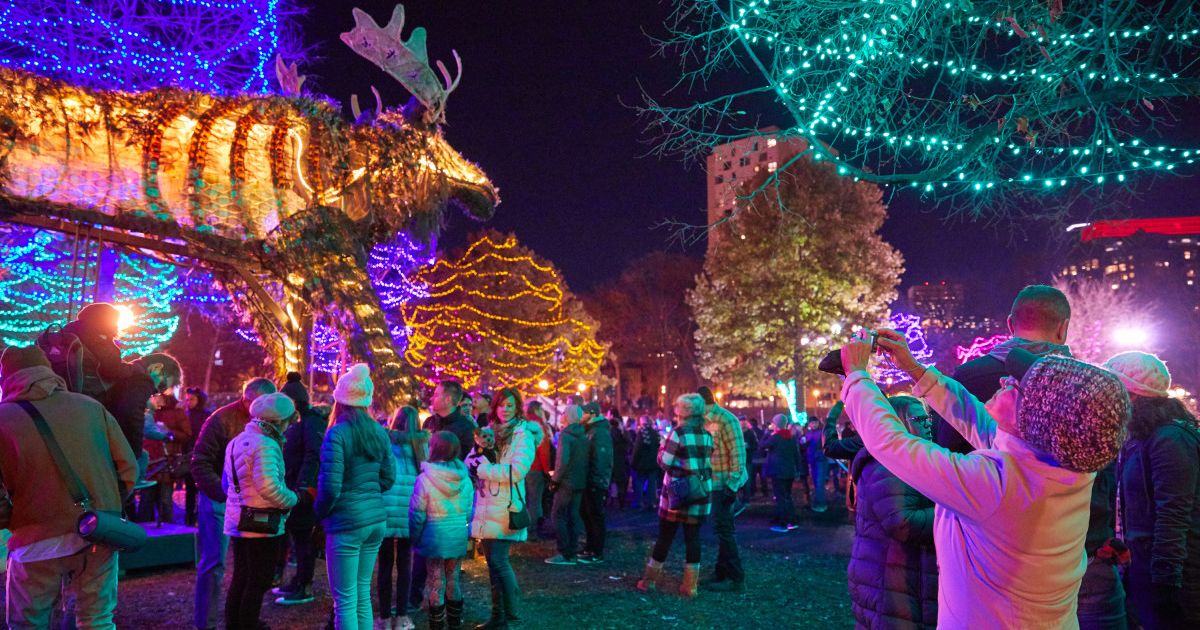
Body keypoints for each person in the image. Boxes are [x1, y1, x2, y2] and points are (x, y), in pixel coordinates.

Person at [840, 328, 1129, 627]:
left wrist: (857, 376)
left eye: (1017, 385)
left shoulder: (997, 485)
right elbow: (976, 421)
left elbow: (892, 444)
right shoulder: (1065, 464)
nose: (1004, 380)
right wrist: (913, 369)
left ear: (1033, 418)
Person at [933, 285, 1125, 628]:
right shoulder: (1087, 387)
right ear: (1063, 327)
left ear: (1010, 324)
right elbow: (1103, 470)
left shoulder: (968, 377)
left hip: (986, 553)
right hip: (1079, 546)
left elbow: (945, 454)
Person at [0, 345, 139, 629]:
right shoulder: (90, 407)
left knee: (28, 622)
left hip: (35, 540)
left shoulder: (4, 419)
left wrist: (13, 520)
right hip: (98, 532)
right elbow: (128, 469)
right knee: (97, 619)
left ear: (6, 377)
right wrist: (107, 508)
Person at [1105, 351, 1200, 628]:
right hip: (1147, 572)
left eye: (1113, 390)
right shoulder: (1140, 437)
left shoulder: (1170, 439)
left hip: (1181, 581)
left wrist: (1166, 581)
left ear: (1133, 394)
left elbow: (1174, 514)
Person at [314, 364, 397, 630]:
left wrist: (320, 512)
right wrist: (368, 493)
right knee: (361, 593)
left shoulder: (336, 434)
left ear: (340, 400)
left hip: (346, 522)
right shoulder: (379, 432)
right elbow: (389, 477)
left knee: (345, 600)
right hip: (375, 520)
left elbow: (330, 487)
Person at [192, 377, 277, 630]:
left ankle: (242, 619)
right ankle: (205, 624)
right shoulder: (220, 420)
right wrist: (223, 492)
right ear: (248, 400)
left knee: (248, 566)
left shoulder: (263, 421)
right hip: (221, 500)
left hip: (250, 503)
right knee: (214, 563)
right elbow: (200, 462)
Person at [847, 395, 937, 629]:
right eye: (918, 418)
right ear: (897, 422)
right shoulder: (888, 463)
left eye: (928, 417)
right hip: (890, 578)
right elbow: (902, 522)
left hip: (896, 574)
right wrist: (952, 513)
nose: (928, 424)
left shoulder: (909, 458)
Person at [466, 387, 544, 629]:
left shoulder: (523, 434)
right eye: (501, 405)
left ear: (517, 407)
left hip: (505, 505)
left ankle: (512, 613)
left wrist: (483, 470)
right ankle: (498, 616)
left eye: (510, 405)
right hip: (486, 505)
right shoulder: (489, 432)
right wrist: (475, 463)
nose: (505, 409)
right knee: (492, 563)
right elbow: (470, 458)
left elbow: (517, 470)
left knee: (499, 561)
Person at [223, 392, 300, 630]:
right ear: (277, 422)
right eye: (287, 421)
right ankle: (248, 624)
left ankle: (234, 624)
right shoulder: (266, 445)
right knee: (258, 580)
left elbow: (227, 482)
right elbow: (268, 486)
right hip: (261, 522)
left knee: (241, 577)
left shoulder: (237, 440)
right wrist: (292, 499)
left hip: (238, 519)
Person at [636, 393, 714, 598]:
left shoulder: (677, 434)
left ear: (682, 412)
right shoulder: (706, 434)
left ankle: (649, 581)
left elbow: (664, 462)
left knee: (665, 537)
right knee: (693, 539)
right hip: (699, 492)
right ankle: (690, 586)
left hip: (677, 494)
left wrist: (662, 447)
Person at [274, 372, 327, 606]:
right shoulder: (300, 422)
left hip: (303, 490)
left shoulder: (309, 422)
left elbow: (312, 455)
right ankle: (298, 581)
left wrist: (305, 486)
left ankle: (304, 585)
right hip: (293, 486)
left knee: (303, 539)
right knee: (297, 537)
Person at [409, 432, 472, 630]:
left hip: (434, 536)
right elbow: (469, 511)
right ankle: (455, 622)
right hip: (457, 535)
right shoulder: (465, 479)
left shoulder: (425, 479)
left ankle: (437, 625)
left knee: (436, 581)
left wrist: (415, 537)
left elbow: (417, 514)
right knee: (453, 579)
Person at [378, 406, 427, 630]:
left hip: (386, 510)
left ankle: (385, 617)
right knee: (406, 564)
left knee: (385, 565)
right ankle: (402, 616)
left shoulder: (385, 442)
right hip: (410, 510)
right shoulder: (421, 446)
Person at [698, 386, 747, 592]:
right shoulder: (705, 421)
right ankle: (722, 571)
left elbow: (737, 454)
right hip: (714, 483)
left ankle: (736, 578)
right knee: (722, 527)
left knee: (724, 529)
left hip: (724, 484)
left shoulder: (726, 419)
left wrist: (732, 484)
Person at [545, 404, 587, 565]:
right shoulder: (583, 435)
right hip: (579, 481)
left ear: (568, 416)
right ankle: (572, 551)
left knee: (558, 515)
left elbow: (562, 461)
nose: (561, 415)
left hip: (566, 482)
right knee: (573, 516)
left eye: (563, 413)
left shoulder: (565, 436)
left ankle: (564, 552)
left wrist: (555, 480)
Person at [579, 401, 613, 564]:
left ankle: (596, 552)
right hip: (590, 480)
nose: (581, 416)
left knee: (595, 516)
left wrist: (596, 480)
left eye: (583, 413)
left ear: (592, 414)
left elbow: (600, 458)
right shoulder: (592, 430)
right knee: (588, 515)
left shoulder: (599, 432)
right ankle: (590, 547)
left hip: (595, 481)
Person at [760, 414, 802, 532]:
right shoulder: (792, 437)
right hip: (790, 471)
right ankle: (792, 521)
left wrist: (766, 433)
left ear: (776, 424)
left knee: (780, 498)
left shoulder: (775, 437)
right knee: (787, 496)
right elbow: (797, 455)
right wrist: (798, 470)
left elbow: (761, 446)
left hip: (778, 471)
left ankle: (783, 523)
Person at [427, 381, 478, 462]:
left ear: (448, 399)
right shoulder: (429, 422)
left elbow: (466, 460)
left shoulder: (466, 428)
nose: (432, 398)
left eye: (436, 395)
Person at [523, 401, 553, 537]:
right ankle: (533, 529)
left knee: (526, 498)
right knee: (535, 499)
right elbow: (543, 449)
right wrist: (547, 470)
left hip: (522, 466)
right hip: (536, 467)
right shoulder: (539, 425)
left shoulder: (521, 423)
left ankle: (525, 526)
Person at [183, 386, 211, 525]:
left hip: (202, 457)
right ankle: (189, 517)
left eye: (191, 399)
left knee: (201, 490)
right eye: (187, 399)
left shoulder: (207, 416)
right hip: (188, 456)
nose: (188, 402)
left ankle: (199, 517)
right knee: (190, 490)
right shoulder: (185, 415)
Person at [630, 415, 661, 510]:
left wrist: (633, 462)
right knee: (652, 484)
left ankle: (639, 503)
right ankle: (651, 503)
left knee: (639, 483)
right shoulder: (656, 433)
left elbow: (637, 449)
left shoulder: (642, 432)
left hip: (642, 463)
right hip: (653, 462)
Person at [801, 418, 828, 512]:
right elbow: (803, 446)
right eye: (811, 423)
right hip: (812, 460)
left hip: (820, 460)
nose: (813, 424)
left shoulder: (822, 433)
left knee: (819, 482)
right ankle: (818, 502)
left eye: (815, 423)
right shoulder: (807, 434)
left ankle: (821, 504)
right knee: (816, 482)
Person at [609, 415, 631, 509]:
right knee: (620, 484)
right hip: (621, 461)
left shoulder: (609, 434)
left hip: (611, 461)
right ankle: (621, 504)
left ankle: (611, 502)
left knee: (611, 482)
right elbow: (628, 447)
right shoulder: (623, 434)